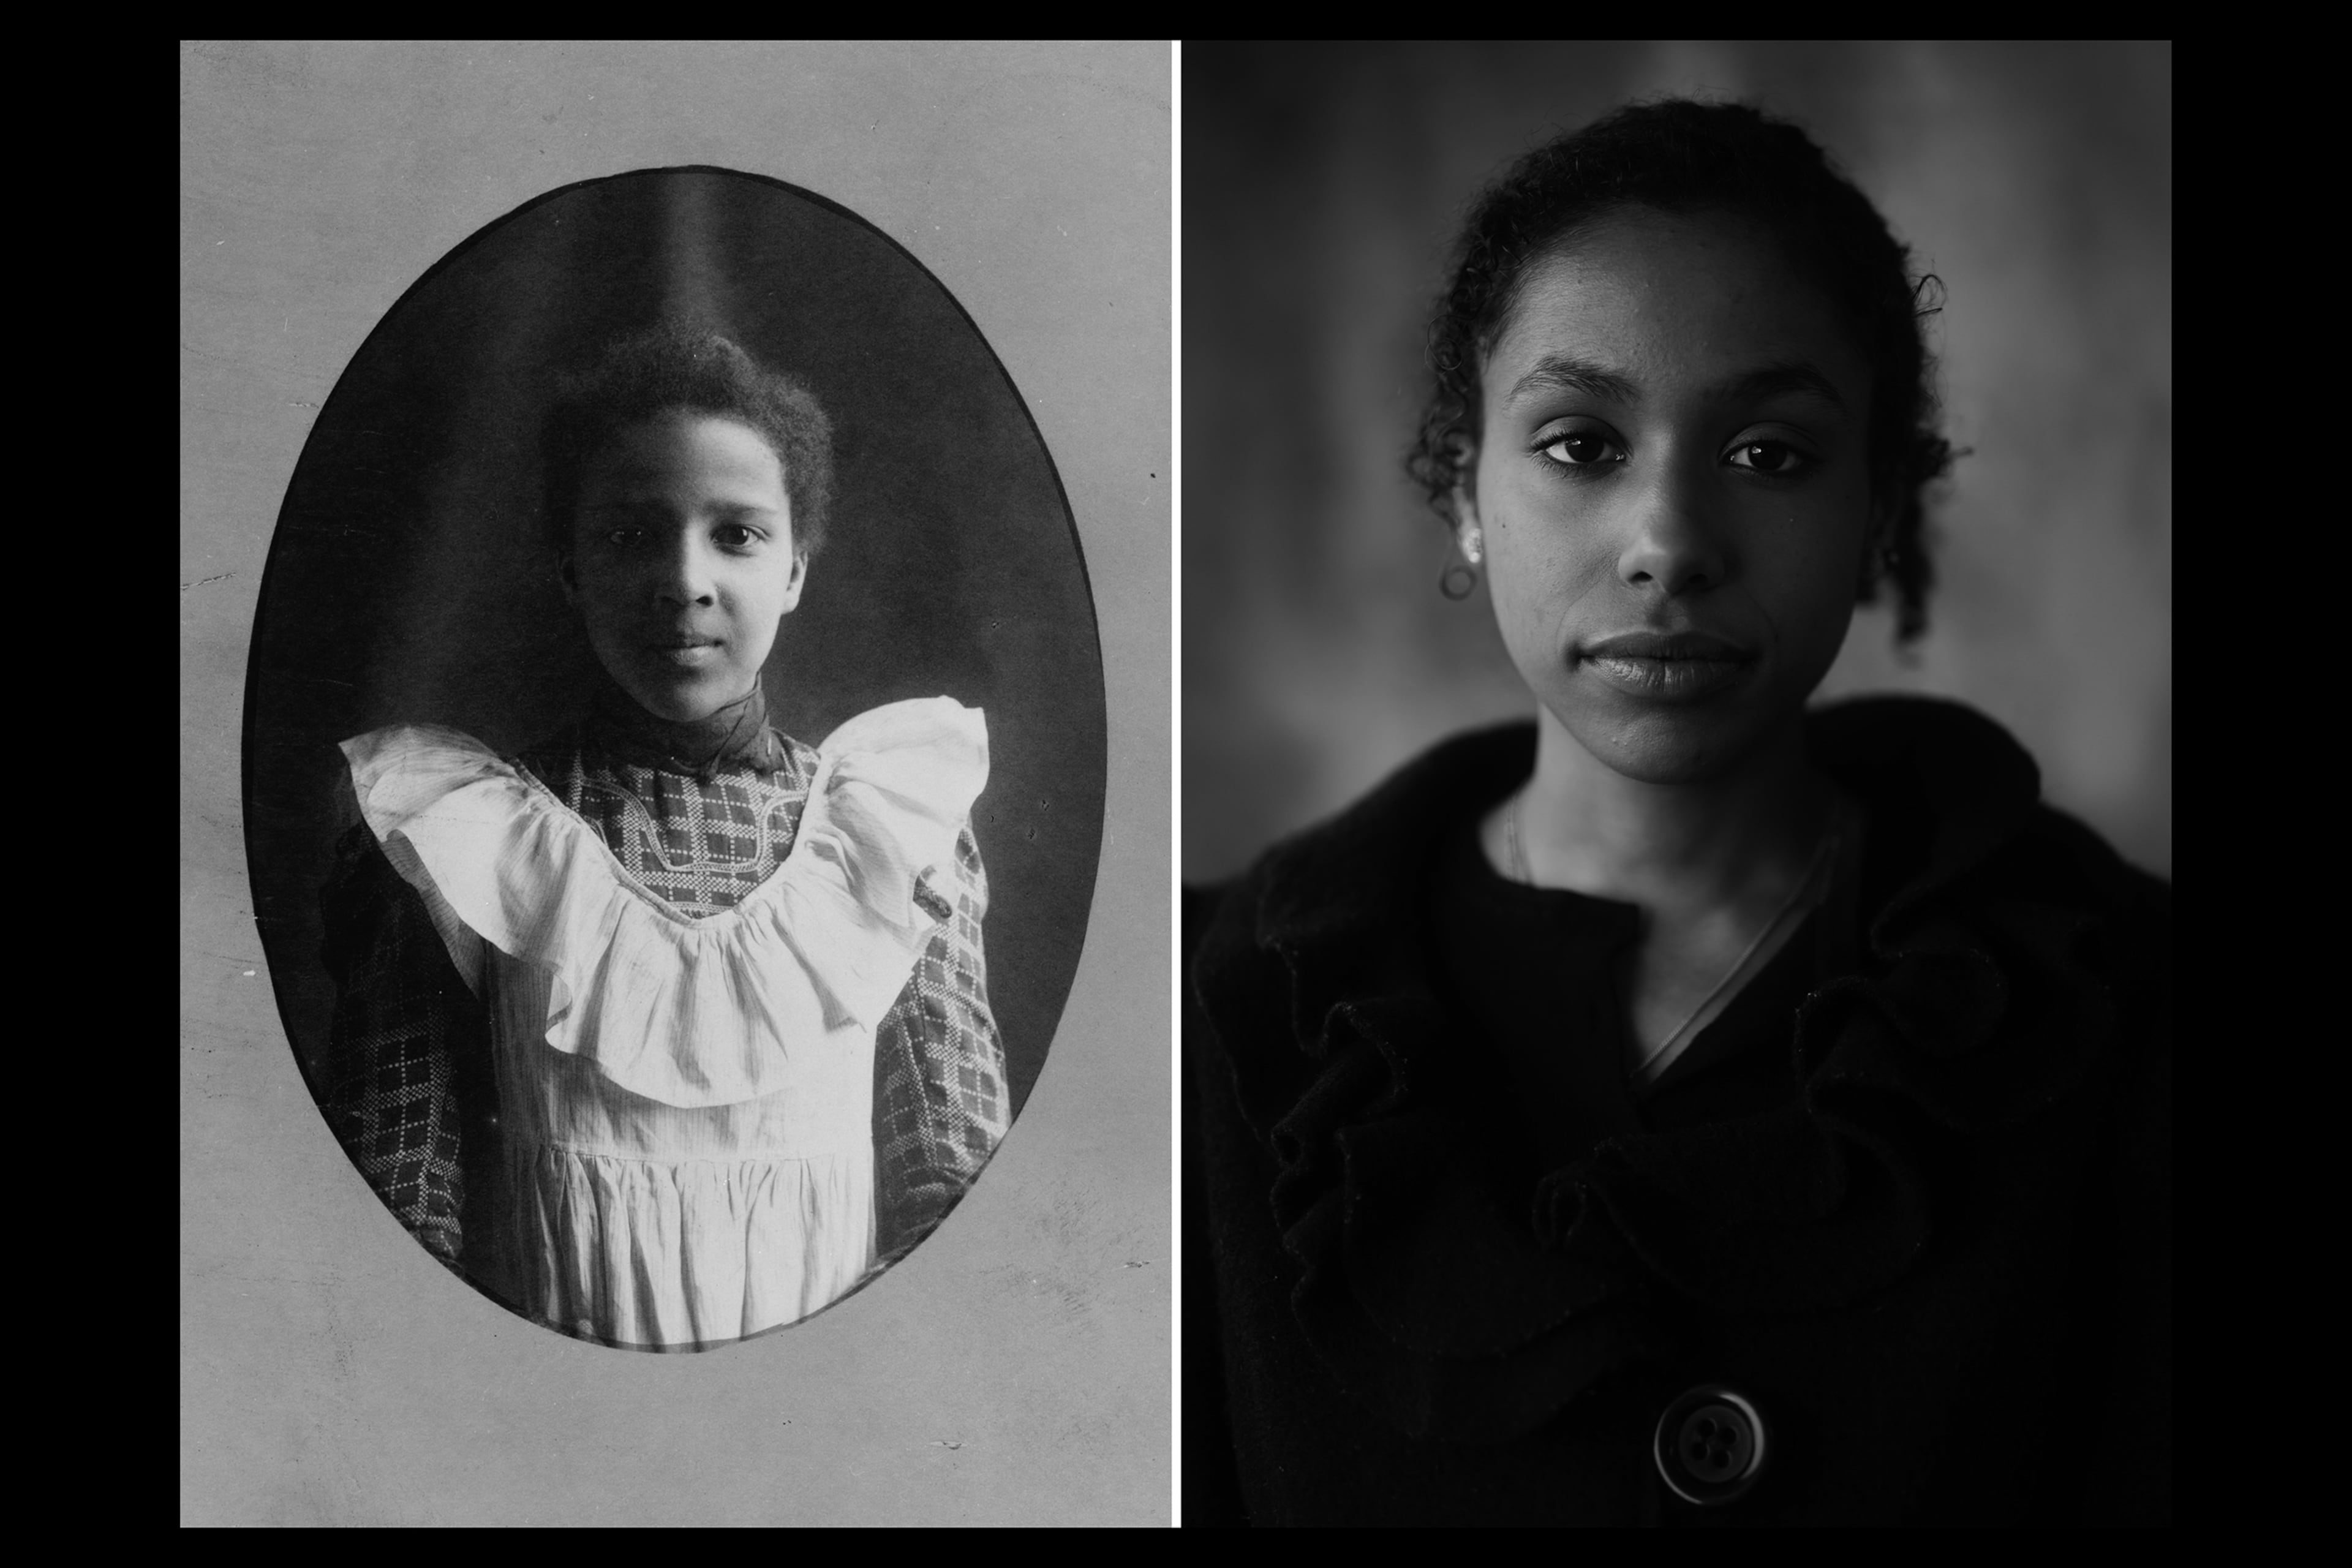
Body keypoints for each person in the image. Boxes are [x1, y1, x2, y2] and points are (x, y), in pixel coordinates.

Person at [1183, 99, 2169, 1523]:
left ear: (1883, 501)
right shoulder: (1219, 1024)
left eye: (1770, 453)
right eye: (1581, 443)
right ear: (1466, 490)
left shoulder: (2110, 991)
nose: (1670, 544)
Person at [318, 327, 1011, 1351]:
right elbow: (400, 1198)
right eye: (631, 536)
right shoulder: (469, 839)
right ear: (568, 573)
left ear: (796, 572)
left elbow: (955, 1182)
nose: (683, 580)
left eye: (737, 535)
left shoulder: (892, 830)